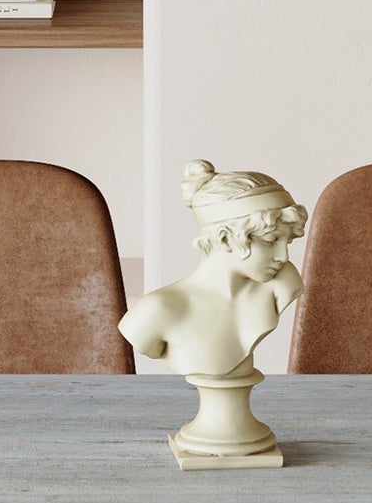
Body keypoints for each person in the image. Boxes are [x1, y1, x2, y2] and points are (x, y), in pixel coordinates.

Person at [120, 161, 307, 379]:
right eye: (270, 240)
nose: (283, 257)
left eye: (287, 242)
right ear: (226, 238)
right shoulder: (155, 310)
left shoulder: (283, 283)